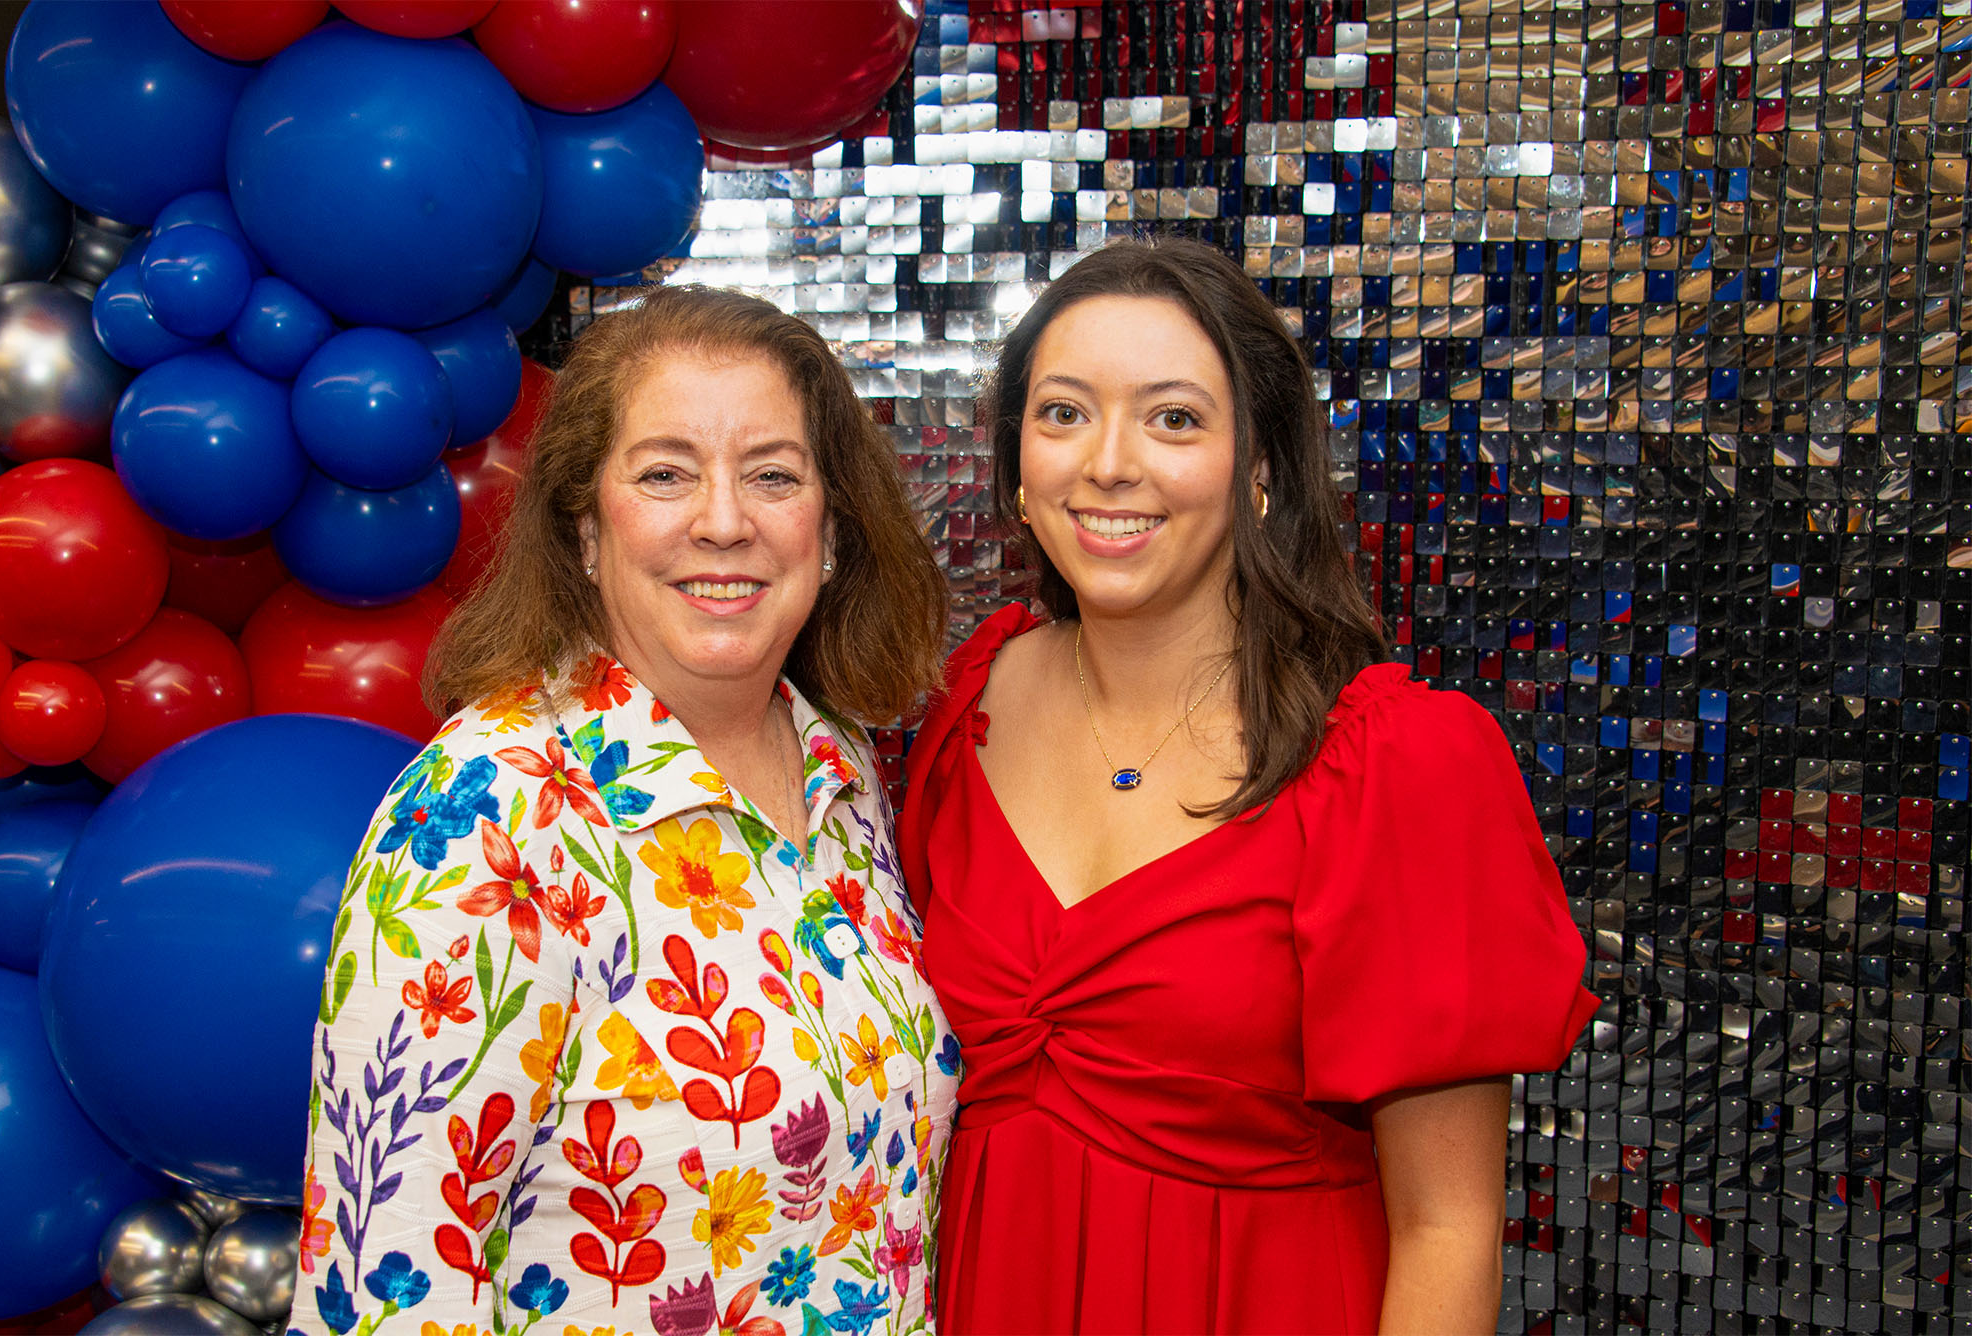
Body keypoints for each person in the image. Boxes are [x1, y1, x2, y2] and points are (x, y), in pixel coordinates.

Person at [900, 238, 1599, 1334]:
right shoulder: (955, 708)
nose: (1110, 463)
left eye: (1173, 418)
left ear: (1260, 465)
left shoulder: (1399, 765)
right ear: (1015, 469)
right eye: (1063, 413)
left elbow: (1447, 1230)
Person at [299, 286, 958, 1335]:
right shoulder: (488, 813)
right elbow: (389, 1291)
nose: (724, 521)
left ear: (829, 527)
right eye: (664, 474)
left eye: (773, 475)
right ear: (585, 529)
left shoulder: (841, 769)